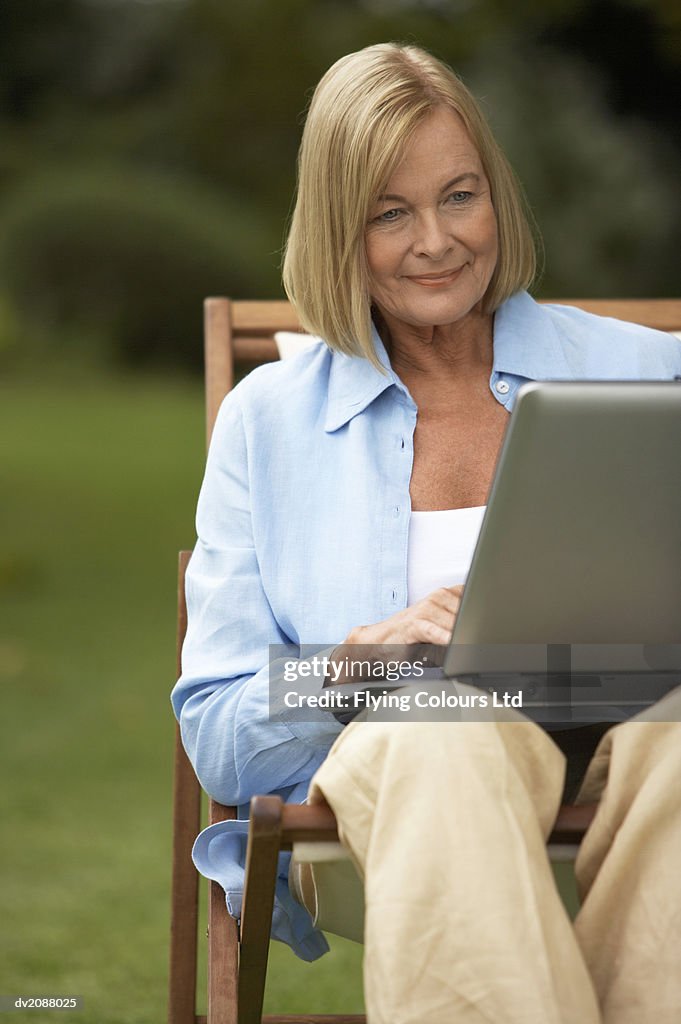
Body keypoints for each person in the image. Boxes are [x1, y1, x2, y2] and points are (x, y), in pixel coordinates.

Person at [171, 42, 681, 1024]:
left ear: (500, 199)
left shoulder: (649, 373)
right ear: (337, 230)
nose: (437, 241)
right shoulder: (268, 421)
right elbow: (216, 736)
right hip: (394, 802)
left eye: (460, 196)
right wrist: (346, 667)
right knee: (440, 728)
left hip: (635, 753)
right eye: (389, 213)